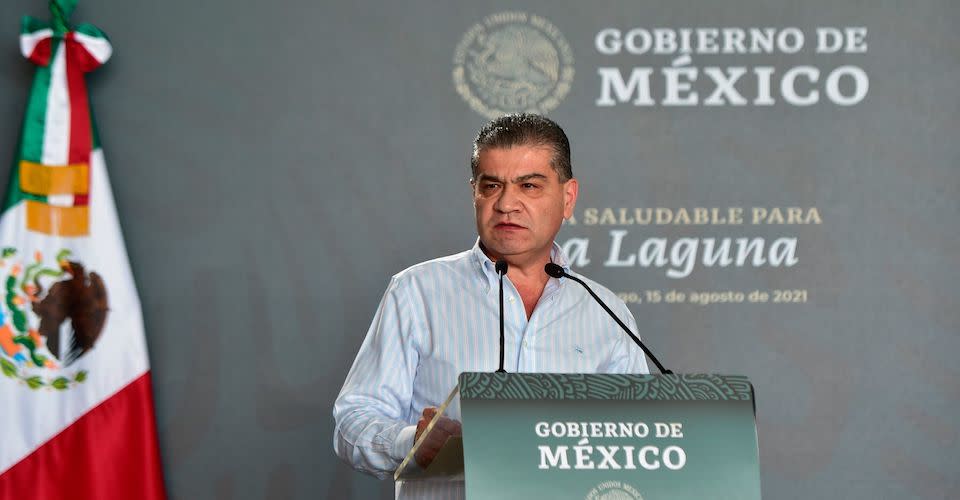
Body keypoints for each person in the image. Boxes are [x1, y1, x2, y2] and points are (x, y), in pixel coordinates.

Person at [332, 114, 650, 499]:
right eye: (491, 185)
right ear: (474, 193)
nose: (506, 204)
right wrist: (409, 443)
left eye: (529, 186)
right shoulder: (416, 292)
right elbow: (353, 421)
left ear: (568, 198)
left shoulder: (607, 312)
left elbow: (636, 446)